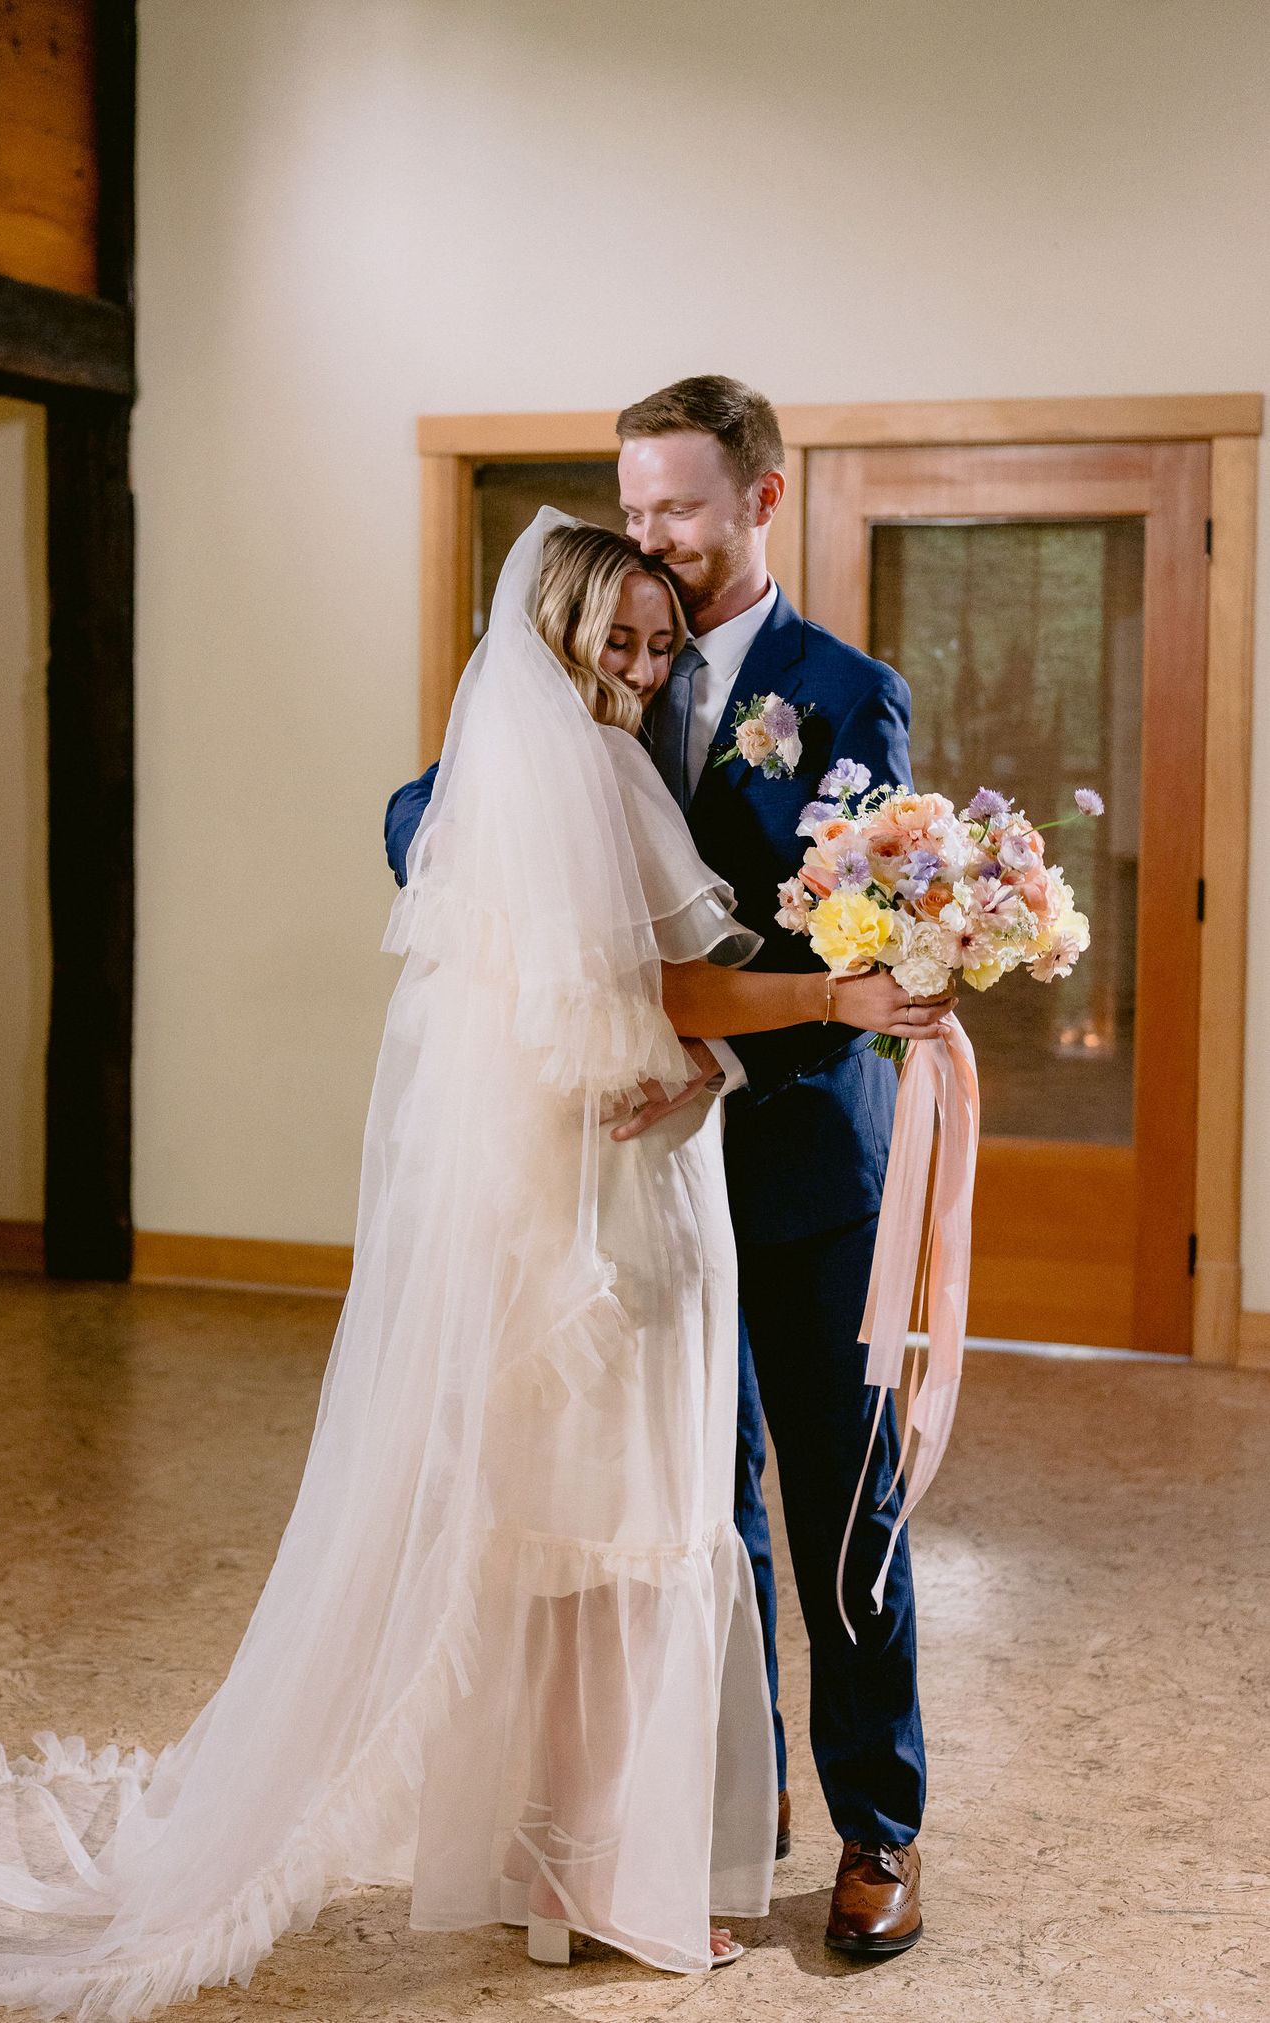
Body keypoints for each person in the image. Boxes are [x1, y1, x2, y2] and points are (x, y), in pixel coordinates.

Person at [0, 511, 944, 2018]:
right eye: (620, 644)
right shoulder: (560, 774)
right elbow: (650, 976)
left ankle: (562, 1859)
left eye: (658, 647)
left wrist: (707, 1061)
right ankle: (589, 1864)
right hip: (610, 1227)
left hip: (638, 1189)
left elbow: (619, 997)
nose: (644, 674)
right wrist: (834, 1004)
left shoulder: (630, 750)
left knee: (593, 1550)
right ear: (554, 642)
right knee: (609, 1549)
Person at [385, 376, 939, 1958]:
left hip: (799, 1163)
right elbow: (424, 815)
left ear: (760, 501)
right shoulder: (566, 663)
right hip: (636, 1183)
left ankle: (875, 1830)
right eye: (632, 510)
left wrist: (722, 1044)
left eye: (679, 509)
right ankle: (723, 1794)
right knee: (695, 1505)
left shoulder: (840, 690)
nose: (652, 539)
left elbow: (868, 926)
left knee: (840, 1504)